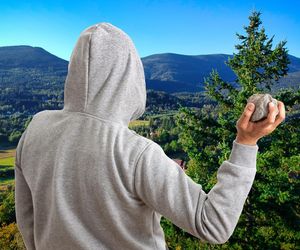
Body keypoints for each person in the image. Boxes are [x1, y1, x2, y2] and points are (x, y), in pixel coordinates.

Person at [14, 22, 285, 250]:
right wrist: (246, 143)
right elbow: (213, 224)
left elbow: (27, 219)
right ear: (130, 77)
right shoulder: (136, 153)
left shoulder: (36, 129)